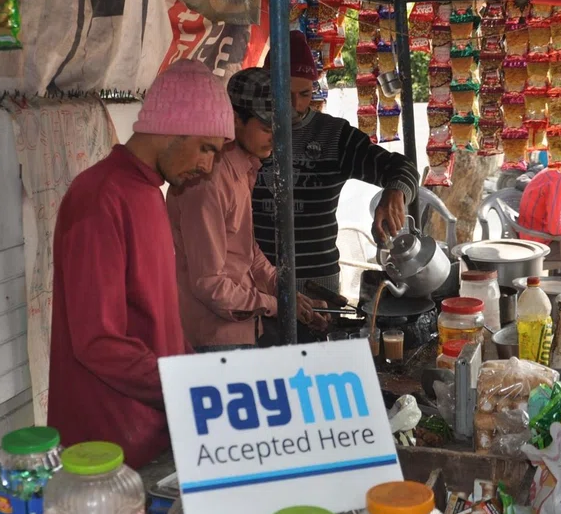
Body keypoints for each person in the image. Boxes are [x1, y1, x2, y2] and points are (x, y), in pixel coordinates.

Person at [47, 60, 235, 469]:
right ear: (172, 127)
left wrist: (200, 372)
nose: (208, 167)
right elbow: (99, 341)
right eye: (206, 148)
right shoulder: (99, 196)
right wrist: (182, 385)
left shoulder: (150, 193)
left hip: (153, 431)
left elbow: (158, 318)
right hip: (106, 447)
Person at [168, 68, 327, 352]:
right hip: (214, 337)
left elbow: (246, 251)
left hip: (239, 328)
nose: (276, 138)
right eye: (266, 128)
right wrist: (276, 304)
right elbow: (210, 284)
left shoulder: (243, 168)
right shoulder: (209, 180)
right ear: (235, 120)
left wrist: (285, 292)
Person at [253, 31, 420, 297]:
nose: (295, 105)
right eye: (284, 93)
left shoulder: (333, 135)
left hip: (317, 285)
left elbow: (402, 167)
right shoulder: (249, 131)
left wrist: (395, 191)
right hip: (255, 281)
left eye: (304, 93)